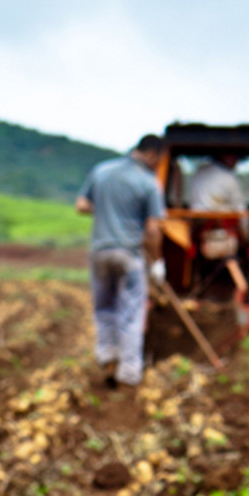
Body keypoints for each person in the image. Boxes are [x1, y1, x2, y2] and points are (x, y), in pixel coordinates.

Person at [76, 134, 167, 387]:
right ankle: (129, 374)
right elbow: (152, 229)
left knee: (104, 308)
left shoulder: (102, 170)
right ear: (152, 154)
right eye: (160, 160)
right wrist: (158, 262)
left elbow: (82, 205)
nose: (159, 165)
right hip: (129, 254)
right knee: (130, 313)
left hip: (100, 251)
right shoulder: (148, 183)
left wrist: (106, 210)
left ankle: (107, 359)